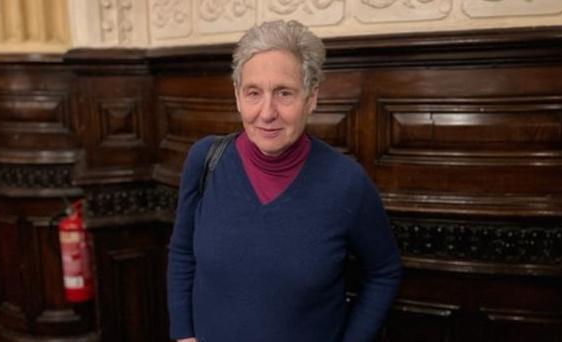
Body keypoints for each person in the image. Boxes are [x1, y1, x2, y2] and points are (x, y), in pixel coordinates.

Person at [167, 20, 402, 342]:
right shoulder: (205, 159)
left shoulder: (346, 182)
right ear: (237, 97)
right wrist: (184, 335)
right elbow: (182, 252)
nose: (267, 112)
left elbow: (383, 271)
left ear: (311, 98)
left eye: (284, 93)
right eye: (254, 93)